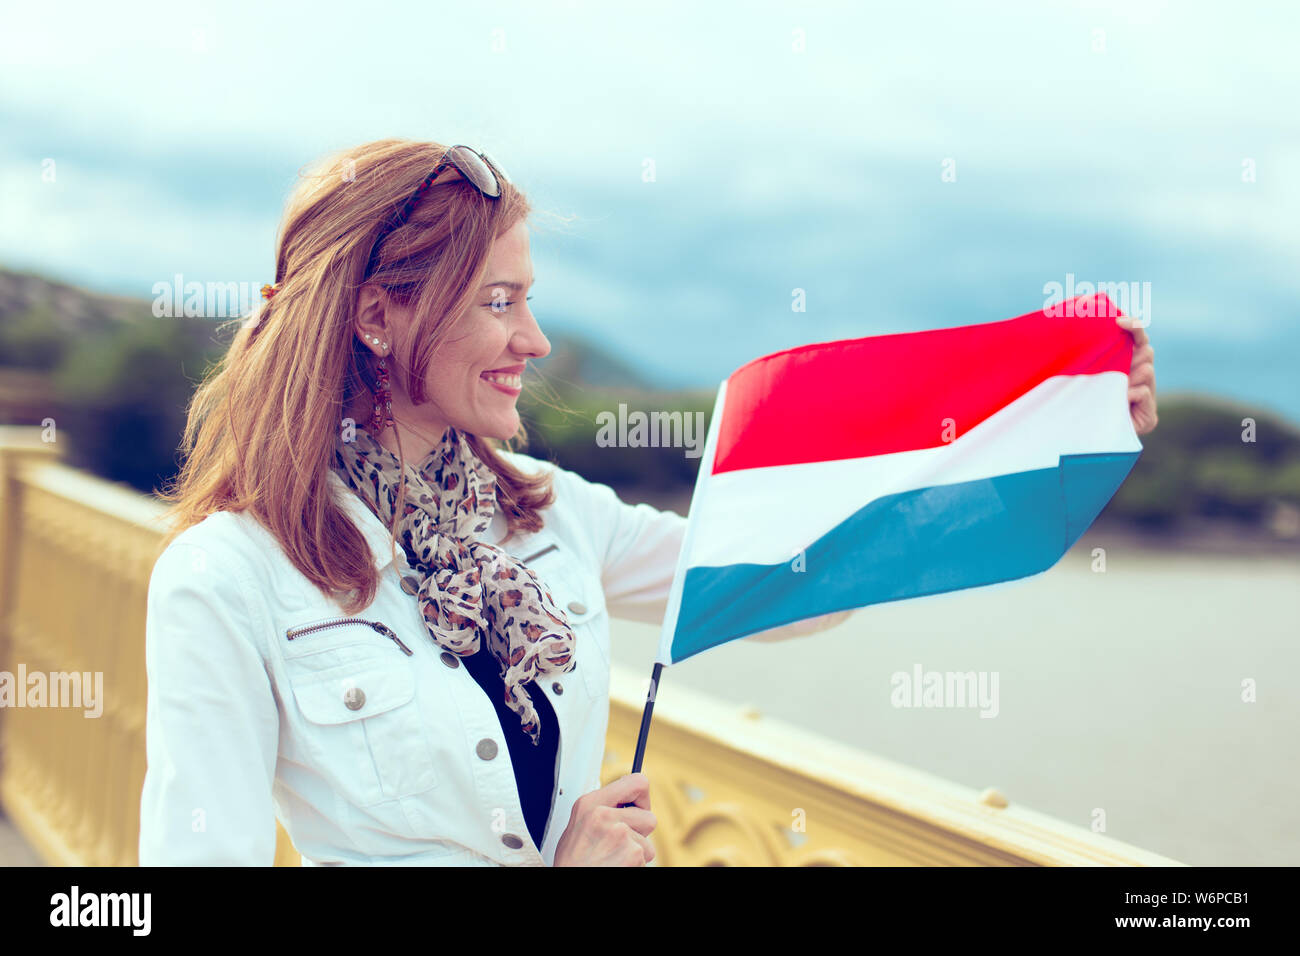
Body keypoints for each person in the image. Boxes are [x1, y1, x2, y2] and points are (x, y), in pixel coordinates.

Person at [137, 139, 858, 867]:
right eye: (497, 302)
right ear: (377, 316)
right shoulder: (225, 579)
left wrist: (918, 463)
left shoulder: (551, 512)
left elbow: (793, 584)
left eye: (527, 299)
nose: (535, 340)